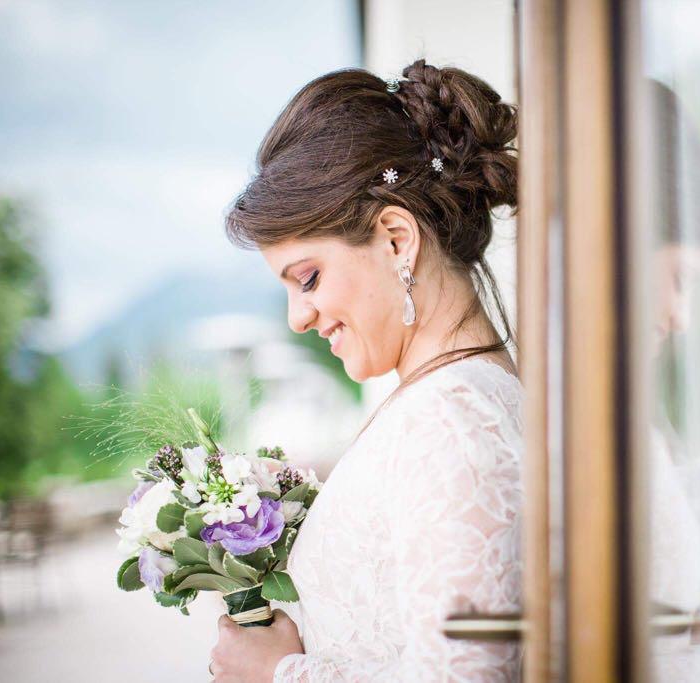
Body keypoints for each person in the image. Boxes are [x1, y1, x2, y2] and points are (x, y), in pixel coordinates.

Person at [208, 58, 524, 682]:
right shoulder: (452, 402)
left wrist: (281, 674)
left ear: (396, 240)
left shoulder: (452, 425)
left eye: (309, 278)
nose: (298, 317)